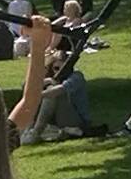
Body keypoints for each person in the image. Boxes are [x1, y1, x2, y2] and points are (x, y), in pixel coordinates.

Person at [14, 9, 95, 143]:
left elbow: (59, 90)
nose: (57, 71)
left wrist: (33, 97)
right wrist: (39, 84)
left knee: (51, 92)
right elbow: (28, 85)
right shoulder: (52, 77)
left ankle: (36, 132)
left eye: (60, 68)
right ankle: (27, 129)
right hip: (59, 117)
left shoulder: (77, 76)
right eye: (55, 68)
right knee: (43, 88)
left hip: (77, 120)